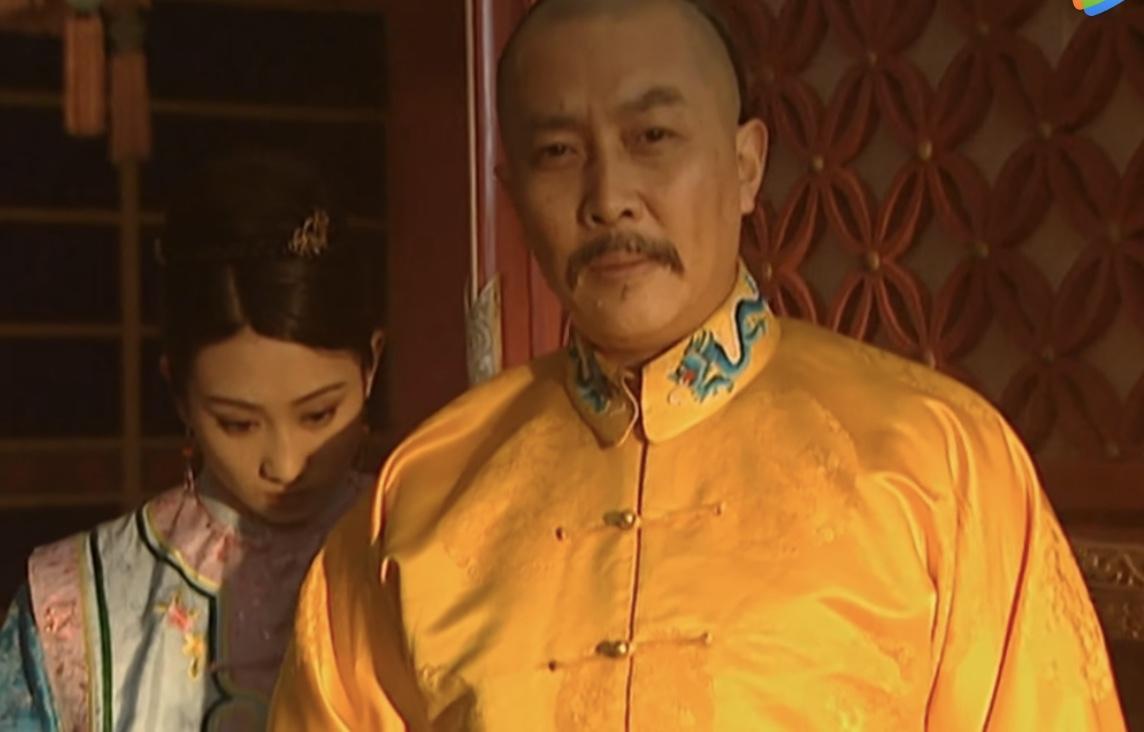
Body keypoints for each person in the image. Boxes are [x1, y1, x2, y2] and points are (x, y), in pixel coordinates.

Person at [269, 0, 1126, 729]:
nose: (609, 197)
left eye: (653, 136)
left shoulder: (939, 462)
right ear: (512, 190)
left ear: (746, 165)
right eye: (558, 152)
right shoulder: (420, 500)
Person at [0, 150, 384, 730]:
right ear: (178, 393)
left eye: (319, 414)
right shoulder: (77, 605)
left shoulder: (428, 553)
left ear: (371, 368)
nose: (284, 464)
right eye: (237, 423)